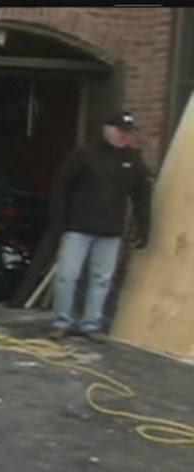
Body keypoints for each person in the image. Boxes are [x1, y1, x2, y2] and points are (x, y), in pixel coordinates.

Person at [46, 110, 152, 342]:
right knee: (67, 275)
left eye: (129, 133)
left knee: (102, 278)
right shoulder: (84, 155)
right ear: (107, 129)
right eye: (121, 131)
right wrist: (58, 222)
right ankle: (62, 321)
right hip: (77, 227)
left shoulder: (133, 160)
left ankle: (92, 324)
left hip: (111, 230)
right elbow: (61, 188)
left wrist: (144, 227)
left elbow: (142, 196)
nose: (125, 137)